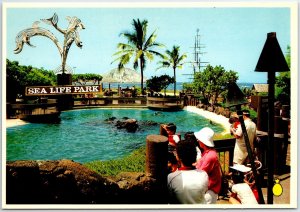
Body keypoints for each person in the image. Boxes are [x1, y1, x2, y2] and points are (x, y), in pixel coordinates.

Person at [167, 140, 208, 204]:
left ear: (178, 157)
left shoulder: (171, 177)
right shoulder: (203, 174)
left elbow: (170, 197)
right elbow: (204, 191)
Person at [194, 127, 222, 204]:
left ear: (203, 141)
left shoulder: (210, 156)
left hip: (210, 192)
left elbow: (200, 172)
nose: (198, 141)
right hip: (208, 189)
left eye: (199, 139)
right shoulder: (208, 153)